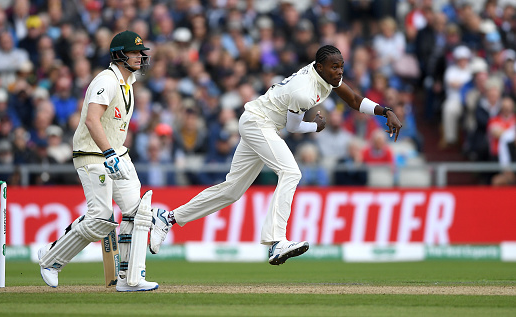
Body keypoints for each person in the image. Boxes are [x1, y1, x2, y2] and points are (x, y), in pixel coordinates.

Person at [149, 45, 403, 265]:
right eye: (334, 67)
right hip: (258, 123)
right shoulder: (303, 90)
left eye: (341, 66)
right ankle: (276, 241)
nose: (339, 72)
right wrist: (316, 126)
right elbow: (292, 128)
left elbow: (355, 100)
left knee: (231, 190)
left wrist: (386, 111)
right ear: (319, 67)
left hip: (259, 123)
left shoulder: (326, 75)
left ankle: (167, 218)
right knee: (291, 172)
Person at [37, 30, 158, 292]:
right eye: (134, 52)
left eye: (141, 52)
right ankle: (50, 258)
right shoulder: (107, 80)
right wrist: (109, 153)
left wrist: (115, 153)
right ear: (119, 55)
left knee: (137, 213)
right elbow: (92, 120)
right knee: (101, 217)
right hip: (93, 154)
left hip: (116, 152)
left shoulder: (128, 82)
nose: (140, 56)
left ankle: (129, 279)